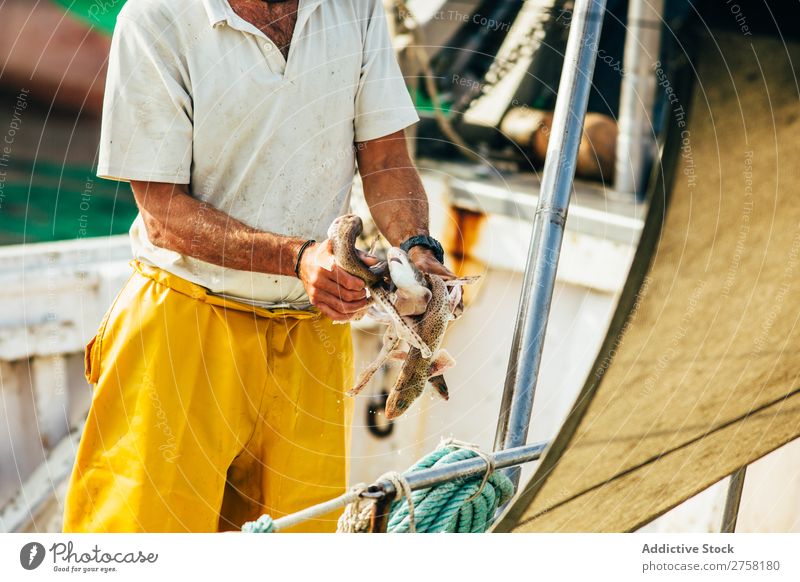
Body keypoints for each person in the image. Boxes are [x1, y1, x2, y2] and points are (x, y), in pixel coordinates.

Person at [63, 0, 452, 533]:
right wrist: (296, 258)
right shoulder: (154, 19)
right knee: (142, 545)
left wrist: (420, 251)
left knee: (299, 544)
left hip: (310, 337)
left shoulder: (355, 8)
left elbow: (385, 161)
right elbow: (163, 216)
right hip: (184, 327)